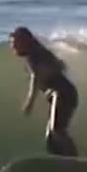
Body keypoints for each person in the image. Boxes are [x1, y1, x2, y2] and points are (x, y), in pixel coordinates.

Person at [10, 26, 78, 157]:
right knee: (51, 138)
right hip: (64, 94)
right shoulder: (38, 52)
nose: (12, 46)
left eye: (15, 43)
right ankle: (63, 159)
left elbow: (36, 77)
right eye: (12, 43)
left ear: (25, 41)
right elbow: (60, 67)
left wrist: (30, 102)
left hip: (63, 94)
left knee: (56, 131)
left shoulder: (33, 55)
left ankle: (75, 159)